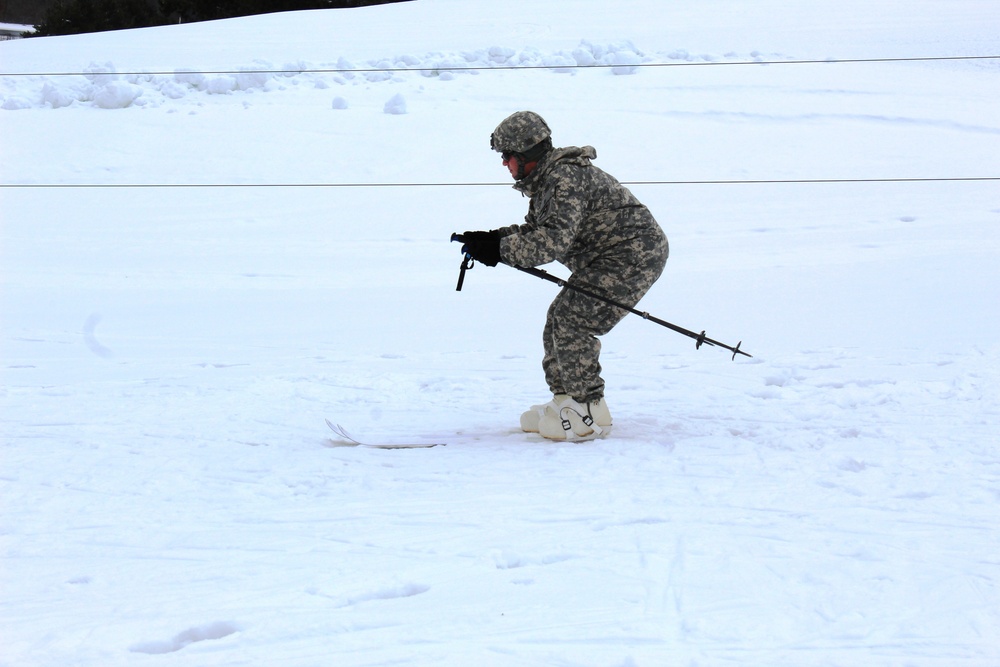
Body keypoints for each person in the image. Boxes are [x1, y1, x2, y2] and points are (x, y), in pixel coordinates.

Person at [461, 111, 668, 441]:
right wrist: (492, 239)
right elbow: (536, 230)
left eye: (507, 156)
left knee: (574, 319)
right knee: (559, 316)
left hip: (632, 256)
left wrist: (498, 251)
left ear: (525, 154)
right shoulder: (548, 181)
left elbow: (551, 242)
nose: (504, 164)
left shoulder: (564, 180)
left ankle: (582, 409)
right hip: (609, 258)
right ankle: (569, 400)